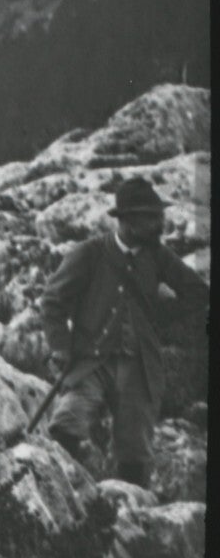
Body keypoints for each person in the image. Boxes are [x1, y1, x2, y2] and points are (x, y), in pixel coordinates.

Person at [40, 176, 208, 487]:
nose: (160, 224)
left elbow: (198, 293)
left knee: (134, 452)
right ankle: (67, 493)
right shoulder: (89, 253)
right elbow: (52, 302)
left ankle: (128, 511)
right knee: (66, 425)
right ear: (128, 222)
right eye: (151, 218)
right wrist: (61, 346)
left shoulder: (158, 256)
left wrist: (159, 316)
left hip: (139, 366)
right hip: (91, 361)